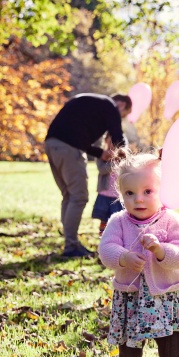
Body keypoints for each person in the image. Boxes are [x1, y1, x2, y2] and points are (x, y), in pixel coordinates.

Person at [98, 150, 179, 357]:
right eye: (129, 193)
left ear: (162, 191)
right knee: (129, 353)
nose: (138, 199)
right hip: (130, 299)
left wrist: (160, 249)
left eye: (147, 191)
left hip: (166, 299)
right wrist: (124, 257)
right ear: (120, 195)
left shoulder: (171, 220)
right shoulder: (118, 221)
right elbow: (105, 250)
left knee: (172, 354)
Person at [45, 93, 132, 257]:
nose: (120, 117)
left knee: (69, 195)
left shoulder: (91, 103)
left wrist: (100, 153)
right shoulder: (110, 107)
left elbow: (77, 135)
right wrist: (129, 159)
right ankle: (71, 246)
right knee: (79, 197)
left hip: (51, 144)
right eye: (124, 115)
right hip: (69, 148)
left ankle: (70, 242)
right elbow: (117, 136)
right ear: (122, 106)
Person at [92, 133, 124, 236]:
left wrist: (120, 159)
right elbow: (102, 169)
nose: (113, 144)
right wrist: (115, 162)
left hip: (117, 195)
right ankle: (103, 239)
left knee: (118, 220)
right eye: (110, 141)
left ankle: (116, 238)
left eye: (115, 142)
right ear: (106, 141)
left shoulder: (122, 156)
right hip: (105, 194)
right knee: (104, 219)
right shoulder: (102, 154)